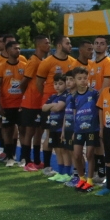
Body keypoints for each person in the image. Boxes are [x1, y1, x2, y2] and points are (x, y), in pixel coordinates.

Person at [35, 36, 76, 169]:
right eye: (67, 43)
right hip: (51, 104)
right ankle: (47, 166)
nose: (70, 45)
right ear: (59, 45)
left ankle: (68, 170)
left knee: (64, 139)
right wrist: (50, 99)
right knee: (49, 135)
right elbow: (39, 83)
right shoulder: (47, 62)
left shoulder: (73, 62)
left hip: (66, 105)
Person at [19, 35, 51, 169]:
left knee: (39, 132)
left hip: (40, 102)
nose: (49, 45)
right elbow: (24, 82)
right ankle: (27, 160)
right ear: (38, 45)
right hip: (31, 102)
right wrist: (26, 96)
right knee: (30, 131)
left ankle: (37, 160)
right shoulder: (33, 61)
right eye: (46, 43)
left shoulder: (42, 60)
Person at [67, 67, 101, 192]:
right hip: (79, 130)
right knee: (76, 155)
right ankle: (81, 178)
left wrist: (100, 127)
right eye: (79, 78)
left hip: (92, 128)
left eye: (85, 78)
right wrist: (74, 130)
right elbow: (75, 113)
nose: (83, 81)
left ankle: (90, 180)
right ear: (75, 80)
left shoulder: (94, 93)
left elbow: (99, 110)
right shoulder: (73, 96)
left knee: (89, 154)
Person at [0, 40, 25, 165]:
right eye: (15, 48)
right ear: (7, 51)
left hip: (21, 105)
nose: (18, 50)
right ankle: (10, 156)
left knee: (23, 130)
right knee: (7, 130)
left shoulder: (24, 65)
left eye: (19, 48)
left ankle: (24, 157)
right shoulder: (1, 66)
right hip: (6, 104)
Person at [43, 74, 70, 178]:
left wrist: (51, 106)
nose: (57, 86)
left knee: (63, 150)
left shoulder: (65, 95)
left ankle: (67, 173)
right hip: (53, 127)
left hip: (61, 127)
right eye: (55, 84)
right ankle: (60, 172)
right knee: (57, 150)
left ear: (65, 84)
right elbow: (43, 108)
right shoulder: (53, 96)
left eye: (60, 84)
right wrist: (52, 105)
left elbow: (59, 108)